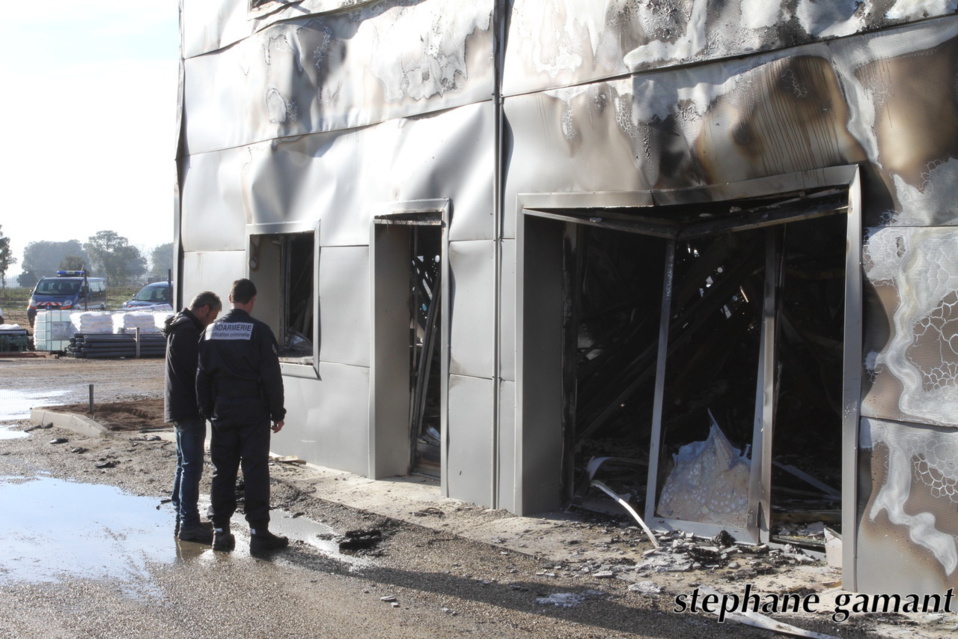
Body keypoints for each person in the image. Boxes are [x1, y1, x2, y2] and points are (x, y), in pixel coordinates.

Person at [196, 278, 288, 553]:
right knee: (255, 471)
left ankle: (221, 532)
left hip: (223, 412)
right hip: (252, 413)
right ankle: (259, 534)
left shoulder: (211, 331)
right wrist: (277, 412)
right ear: (253, 300)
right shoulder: (259, 331)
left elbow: (202, 375)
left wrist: (207, 409)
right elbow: (271, 375)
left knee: (222, 470)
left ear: (230, 297)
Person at [164, 291, 222, 543]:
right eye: (212, 317)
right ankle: (188, 523)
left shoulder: (179, 325)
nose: (210, 323)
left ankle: (182, 517)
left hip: (179, 406)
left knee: (184, 464)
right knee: (192, 467)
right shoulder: (188, 331)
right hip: (189, 408)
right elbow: (196, 373)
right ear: (204, 309)